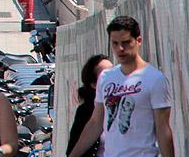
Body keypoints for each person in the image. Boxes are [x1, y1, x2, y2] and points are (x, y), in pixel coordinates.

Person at [67, 16, 174, 157]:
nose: (120, 49)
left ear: (138, 41)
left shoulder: (154, 79)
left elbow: (163, 128)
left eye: (126, 42)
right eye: (115, 43)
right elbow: (95, 123)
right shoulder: (106, 77)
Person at [66, 54, 113, 157]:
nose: (113, 77)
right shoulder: (87, 111)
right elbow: (74, 148)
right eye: (106, 74)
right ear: (95, 85)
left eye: (114, 71)